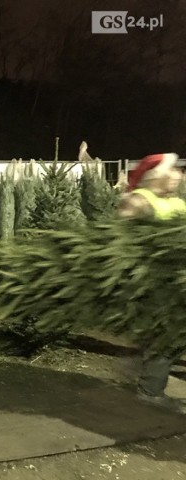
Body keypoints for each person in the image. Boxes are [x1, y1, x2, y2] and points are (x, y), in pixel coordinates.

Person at [118, 152, 186, 411]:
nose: (177, 175)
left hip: (177, 280)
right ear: (152, 175)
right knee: (166, 335)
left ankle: (139, 363)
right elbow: (121, 241)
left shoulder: (178, 203)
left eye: (178, 171)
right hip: (153, 281)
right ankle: (151, 390)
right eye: (170, 170)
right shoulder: (139, 201)